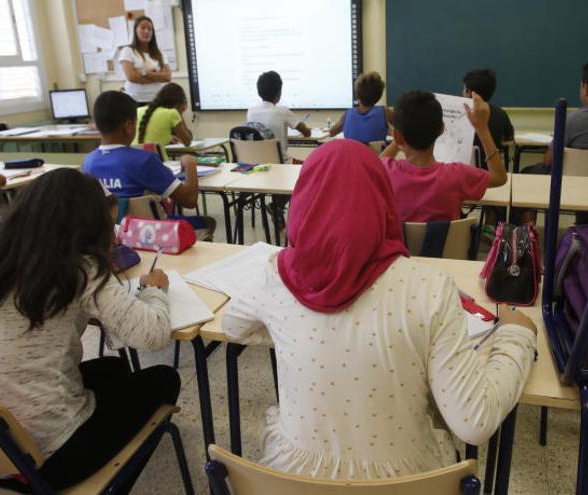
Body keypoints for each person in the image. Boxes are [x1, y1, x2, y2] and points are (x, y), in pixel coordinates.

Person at [222, 140, 537, 479]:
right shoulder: (428, 286)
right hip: (404, 481)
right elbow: (475, 422)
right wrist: (517, 336)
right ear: (384, 201)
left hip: (294, 481)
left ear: (302, 202)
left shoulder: (277, 275)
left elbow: (231, 326)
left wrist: (292, 331)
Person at [0, 168, 180, 492]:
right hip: (44, 460)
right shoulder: (80, 268)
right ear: (88, 224)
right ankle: (111, 485)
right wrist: (154, 290)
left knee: (112, 368)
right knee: (164, 378)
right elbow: (151, 335)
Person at [83, 91, 215, 240]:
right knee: (208, 222)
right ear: (128, 125)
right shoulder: (143, 160)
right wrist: (190, 164)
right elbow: (189, 200)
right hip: (152, 234)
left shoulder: (88, 162)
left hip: (112, 237)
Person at [380, 90, 508, 222]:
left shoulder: (387, 171)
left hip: (399, 242)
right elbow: (500, 177)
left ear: (397, 136)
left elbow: (376, 165)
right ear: (441, 129)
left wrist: (399, 138)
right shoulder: (458, 175)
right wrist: (482, 128)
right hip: (444, 243)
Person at [246, 71, 311, 161]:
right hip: (282, 164)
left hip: (258, 165)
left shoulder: (250, 111)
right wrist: (307, 129)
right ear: (279, 92)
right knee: (309, 165)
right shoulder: (283, 111)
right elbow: (307, 133)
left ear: (259, 92)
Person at [462, 69, 514, 168]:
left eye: (464, 88)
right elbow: (509, 140)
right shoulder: (501, 114)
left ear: (469, 92)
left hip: (464, 170)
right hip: (491, 170)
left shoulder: (458, 114)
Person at [117, 16, 171, 105]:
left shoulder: (160, 53)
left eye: (150, 29)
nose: (147, 31)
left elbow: (167, 77)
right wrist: (158, 76)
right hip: (134, 100)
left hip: (156, 100)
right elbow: (131, 77)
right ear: (135, 30)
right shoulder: (127, 50)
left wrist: (144, 73)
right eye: (143, 28)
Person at [133, 82, 194, 160]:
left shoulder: (138, 110)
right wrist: (180, 113)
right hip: (157, 162)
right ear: (179, 102)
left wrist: (168, 137)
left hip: (134, 159)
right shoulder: (172, 113)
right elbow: (187, 141)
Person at [327, 72, 392, 143]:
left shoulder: (347, 114)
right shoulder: (386, 113)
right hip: (376, 153)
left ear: (357, 94)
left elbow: (331, 132)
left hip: (352, 153)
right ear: (379, 96)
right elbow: (402, 131)